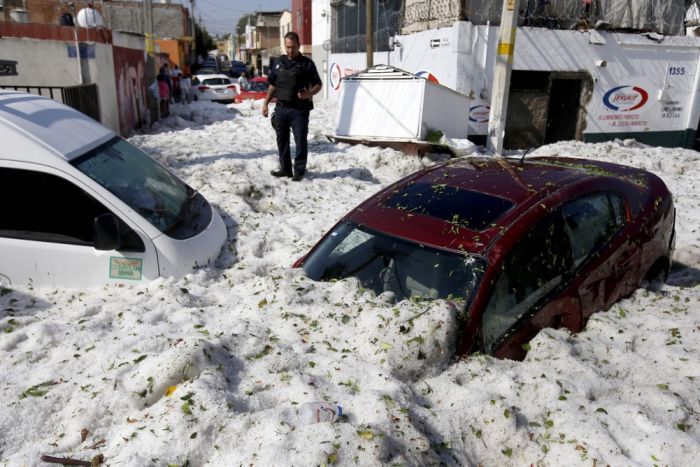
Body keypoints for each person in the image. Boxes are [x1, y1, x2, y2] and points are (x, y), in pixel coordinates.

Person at [262, 31, 322, 182]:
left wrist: (308, 94)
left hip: (299, 110)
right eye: (287, 47)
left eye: (293, 47)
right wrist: (265, 103)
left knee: (300, 140)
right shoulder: (277, 62)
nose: (290, 50)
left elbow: (318, 85)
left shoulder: (307, 64)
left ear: (299, 45)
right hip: (281, 108)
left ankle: (299, 171)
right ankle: (285, 169)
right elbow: (272, 85)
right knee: (282, 140)